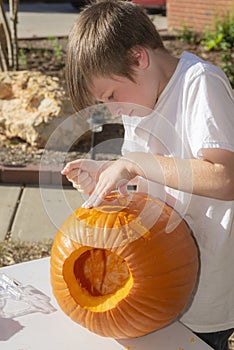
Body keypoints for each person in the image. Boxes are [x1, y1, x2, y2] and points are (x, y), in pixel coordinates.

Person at [61, 1, 234, 348]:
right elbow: (151, 182)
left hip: (208, 290)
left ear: (139, 58)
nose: (113, 109)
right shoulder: (139, 103)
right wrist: (112, 177)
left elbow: (225, 178)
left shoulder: (199, 85)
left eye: (111, 95)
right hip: (158, 283)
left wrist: (136, 163)